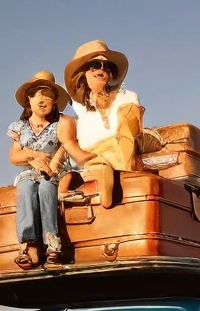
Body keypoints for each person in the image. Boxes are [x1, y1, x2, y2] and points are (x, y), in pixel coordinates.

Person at [62, 40, 147, 209]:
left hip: (121, 156)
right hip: (90, 159)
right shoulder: (79, 106)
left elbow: (131, 133)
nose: (101, 69)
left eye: (106, 66)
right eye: (94, 65)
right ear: (83, 72)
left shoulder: (126, 98)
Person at [7, 71, 76, 269]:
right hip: (30, 171)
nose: (42, 99)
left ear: (54, 100)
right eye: (37, 94)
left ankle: (52, 245)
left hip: (55, 170)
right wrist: (33, 155)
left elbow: (66, 146)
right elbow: (14, 156)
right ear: (29, 99)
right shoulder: (19, 127)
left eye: (47, 95)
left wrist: (53, 163)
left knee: (46, 190)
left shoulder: (60, 124)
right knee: (27, 188)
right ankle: (29, 245)